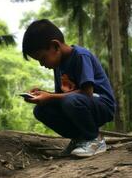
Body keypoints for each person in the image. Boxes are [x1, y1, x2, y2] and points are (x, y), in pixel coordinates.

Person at [21, 19, 116, 157]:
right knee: (41, 110)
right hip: (78, 102)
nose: (42, 64)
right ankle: (79, 139)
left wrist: (50, 96)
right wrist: (43, 95)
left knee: (70, 101)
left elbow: (87, 92)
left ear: (55, 46)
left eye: (42, 58)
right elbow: (61, 96)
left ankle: (94, 140)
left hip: (101, 105)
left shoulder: (80, 56)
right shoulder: (58, 65)